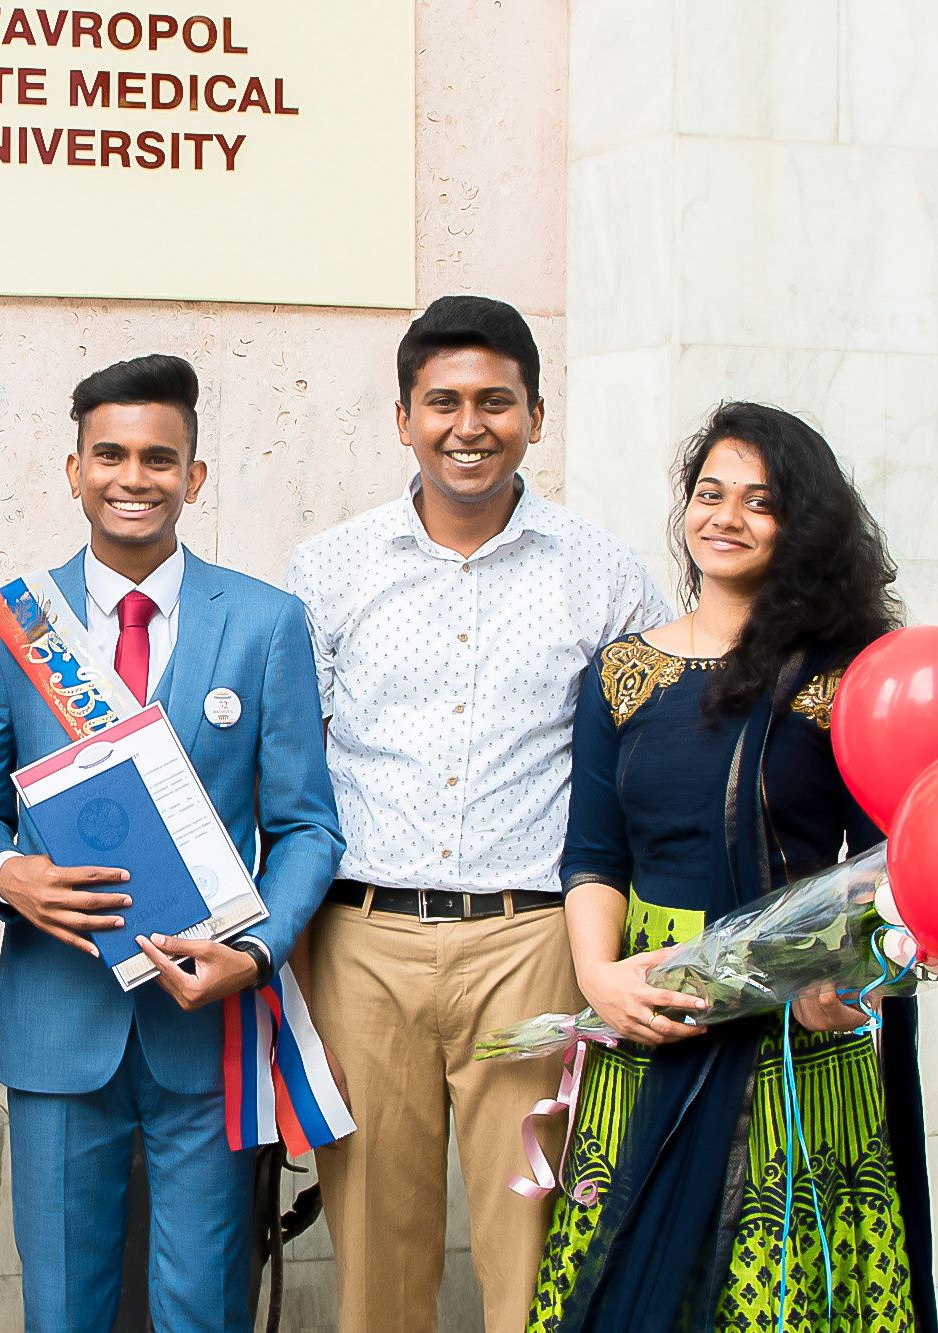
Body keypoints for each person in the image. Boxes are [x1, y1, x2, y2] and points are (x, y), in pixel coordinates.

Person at [283, 295, 671, 1333]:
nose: (468, 424)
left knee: (533, 1247)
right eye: (442, 400)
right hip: (359, 942)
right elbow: (290, 772)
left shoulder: (605, 574)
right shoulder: (327, 570)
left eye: (494, 401)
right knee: (372, 1254)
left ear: (534, 416)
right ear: (403, 417)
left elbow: (636, 773)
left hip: (531, 945)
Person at [0, 353, 343, 1333]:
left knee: (200, 1306)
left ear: (193, 477)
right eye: (111, 455)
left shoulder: (262, 625)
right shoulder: (7, 626)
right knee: (62, 1307)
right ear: (74, 468)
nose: (134, 477)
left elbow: (304, 827)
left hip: (204, 1022)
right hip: (57, 1020)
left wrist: (253, 950)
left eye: (159, 459)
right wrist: (8, 875)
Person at [528, 403, 935, 1332]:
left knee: (780, 1296)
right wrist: (599, 977)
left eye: (760, 501)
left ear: (804, 524)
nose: (726, 516)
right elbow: (594, 854)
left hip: (801, 1019)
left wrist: (857, 977)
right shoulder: (622, 671)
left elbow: (902, 863)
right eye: (710, 494)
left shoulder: (851, 675)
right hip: (648, 1008)